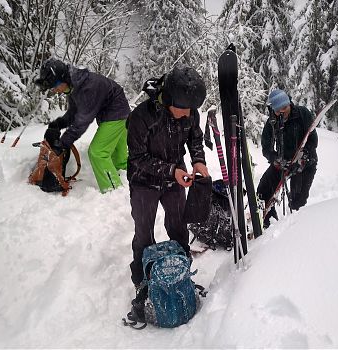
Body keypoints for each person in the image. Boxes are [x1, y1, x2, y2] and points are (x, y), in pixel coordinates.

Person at [126, 65, 209, 322]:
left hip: (174, 177)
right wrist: (171, 170)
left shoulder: (189, 111)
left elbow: (195, 139)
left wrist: (198, 161)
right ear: (169, 99)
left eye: (191, 110)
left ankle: (181, 275)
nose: (187, 115)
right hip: (143, 181)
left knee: (178, 226)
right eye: (182, 109)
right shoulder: (142, 117)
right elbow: (137, 157)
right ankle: (142, 284)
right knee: (144, 232)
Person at [34, 58, 130, 193]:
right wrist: (58, 124)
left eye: (55, 85)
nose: (54, 90)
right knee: (119, 156)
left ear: (63, 77)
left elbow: (82, 121)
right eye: (52, 87)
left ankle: (113, 191)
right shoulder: (74, 85)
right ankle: (128, 179)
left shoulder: (86, 88)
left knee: (98, 153)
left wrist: (63, 143)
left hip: (116, 115)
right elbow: (74, 112)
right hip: (117, 113)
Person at [257, 89, 318, 228]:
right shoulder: (272, 122)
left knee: (297, 202)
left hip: (305, 163)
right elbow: (266, 147)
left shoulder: (302, 114)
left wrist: (304, 158)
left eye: (285, 107)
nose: (283, 111)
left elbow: (313, 141)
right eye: (279, 110)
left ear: (289, 103)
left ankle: (295, 231)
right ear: (273, 109)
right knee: (263, 190)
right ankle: (270, 223)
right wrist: (274, 158)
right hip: (283, 162)